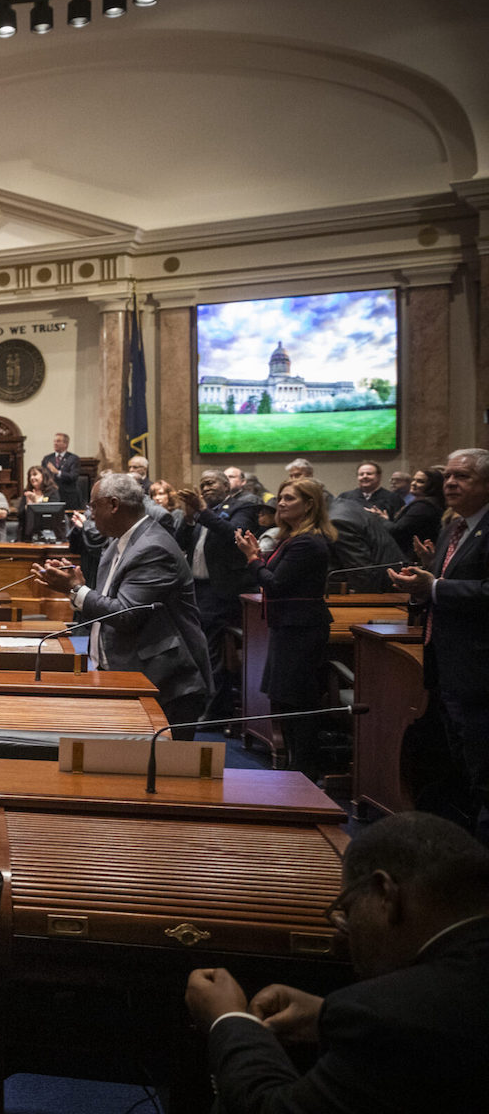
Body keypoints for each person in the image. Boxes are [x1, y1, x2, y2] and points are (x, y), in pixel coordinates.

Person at [184, 812, 489, 1114]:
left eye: (347, 910)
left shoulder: (387, 1018)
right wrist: (325, 1016)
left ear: (385, 893)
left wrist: (229, 1021)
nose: (345, 932)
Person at [32, 473, 213, 738]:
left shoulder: (153, 548)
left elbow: (126, 614)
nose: (90, 514)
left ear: (113, 505)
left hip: (166, 684)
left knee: (165, 775)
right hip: (130, 676)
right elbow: (110, 601)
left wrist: (75, 589)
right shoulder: (119, 542)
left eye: (93, 506)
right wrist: (79, 586)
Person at [390, 448, 489, 841]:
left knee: (483, 774)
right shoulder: (453, 527)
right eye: (447, 476)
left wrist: (435, 586)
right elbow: (437, 591)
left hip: (479, 672)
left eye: (462, 477)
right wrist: (420, 589)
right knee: (459, 770)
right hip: (445, 669)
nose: (450, 483)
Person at [236, 476, 335, 778]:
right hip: (290, 627)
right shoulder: (292, 538)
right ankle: (296, 766)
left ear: (309, 504)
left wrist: (253, 558)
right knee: (286, 699)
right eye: (280, 497)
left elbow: (275, 585)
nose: (280, 503)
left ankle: (304, 769)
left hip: (301, 629)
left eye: (290, 498)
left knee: (299, 702)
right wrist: (259, 555)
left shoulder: (307, 542)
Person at [177, 470, 264, 720]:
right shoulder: (201, 514)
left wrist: (202, 511)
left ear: (226, 486)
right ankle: (203, 702)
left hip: (224, 594)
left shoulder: (243, 506)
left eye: (210, 483)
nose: (205, 488)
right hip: (198, 590)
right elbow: (180, 542)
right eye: (202, 484)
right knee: (198, 649)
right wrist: (189, 518)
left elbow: (234, 535)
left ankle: (215, 711)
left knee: (212, 652)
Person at [388, 467, 444, 556]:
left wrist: (380, 519)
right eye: (413, 480)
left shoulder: (423, 506)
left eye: (420, 481)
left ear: (432, 486)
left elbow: (398, 530)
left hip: (414, 557)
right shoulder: (423, 503)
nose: (413, 484)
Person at [41, 432, 82, 508]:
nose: (55, 443)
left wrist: (58, 472)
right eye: (54, 441)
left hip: (68, 496)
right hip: (51, 495)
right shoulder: (47, 459)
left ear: (66, 444)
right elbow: (43, 477)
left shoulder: (73, 458)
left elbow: (73, 476)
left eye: (58, 441)